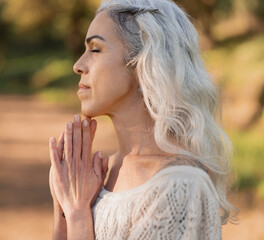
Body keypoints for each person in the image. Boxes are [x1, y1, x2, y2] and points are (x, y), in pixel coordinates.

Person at [48, 0, 237, 239]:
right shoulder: (96, 174)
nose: (78, 65)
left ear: (143, 62)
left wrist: (77, 216)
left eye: (95, 49)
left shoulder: (180, 186)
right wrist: (64, 203)